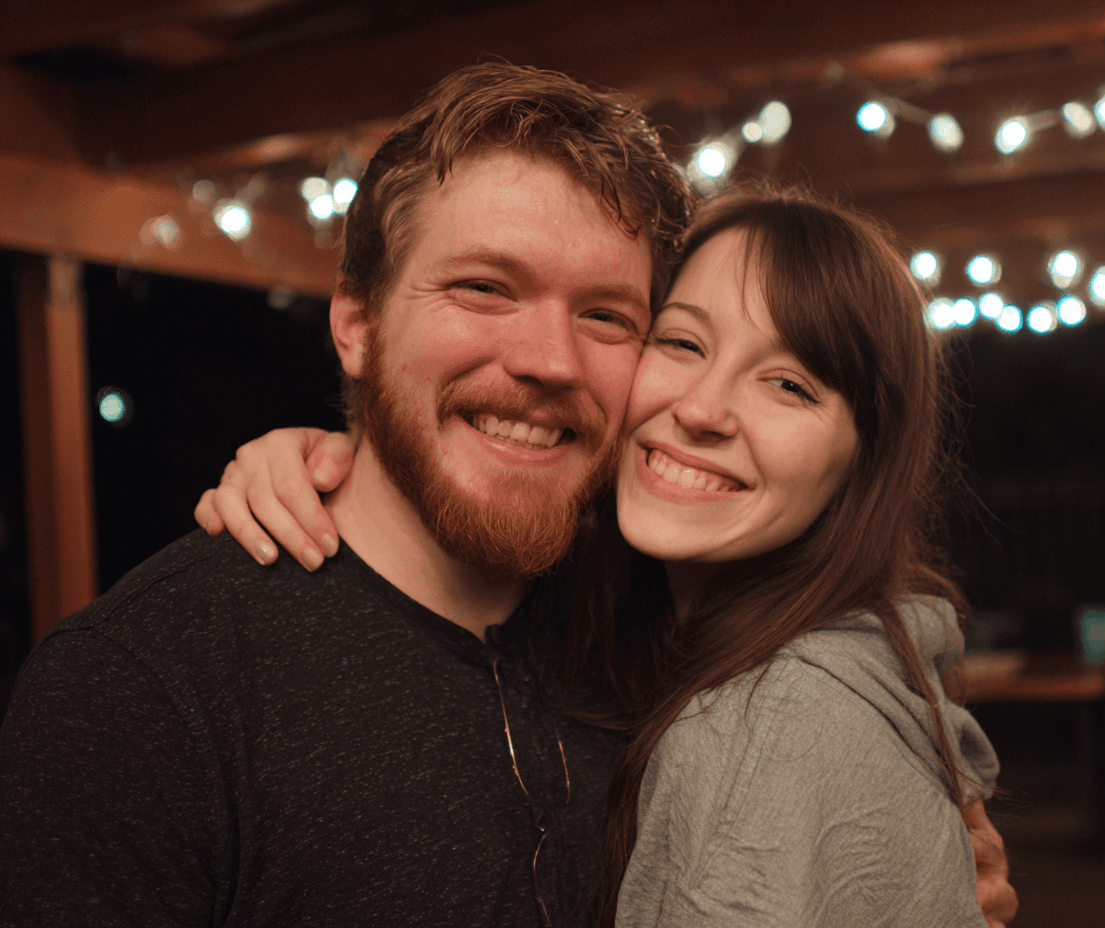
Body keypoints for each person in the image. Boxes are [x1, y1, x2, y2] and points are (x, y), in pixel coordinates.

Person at [194, 187, 1018, 927]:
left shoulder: (765, 727)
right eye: (682, 343)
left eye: (789, 385)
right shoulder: (639, 624)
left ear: (865, 461)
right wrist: (354, 461)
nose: (702, 409)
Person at [0, 62, 692, 927]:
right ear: (356, 324)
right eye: (483, 288)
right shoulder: (142, 689)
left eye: (607, 316)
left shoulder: (660, 630)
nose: (552, 360)